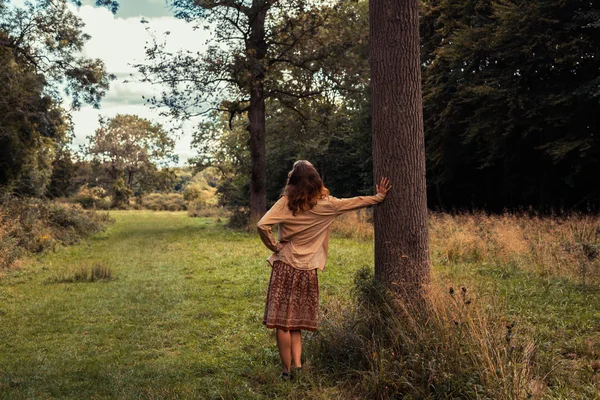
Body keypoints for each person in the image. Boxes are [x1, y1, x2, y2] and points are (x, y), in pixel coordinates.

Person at [257, 160, 391, 380]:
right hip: (308, 269)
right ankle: (298, 367)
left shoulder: (286, 202)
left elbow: (262, 225)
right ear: (316, 180)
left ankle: (287, 371)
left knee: (282, 322)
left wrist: (274, 246)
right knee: (297, 321)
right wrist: (378, 197)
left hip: (285, 266)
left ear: (293, 180)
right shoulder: (327, 204)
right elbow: (354, 202)